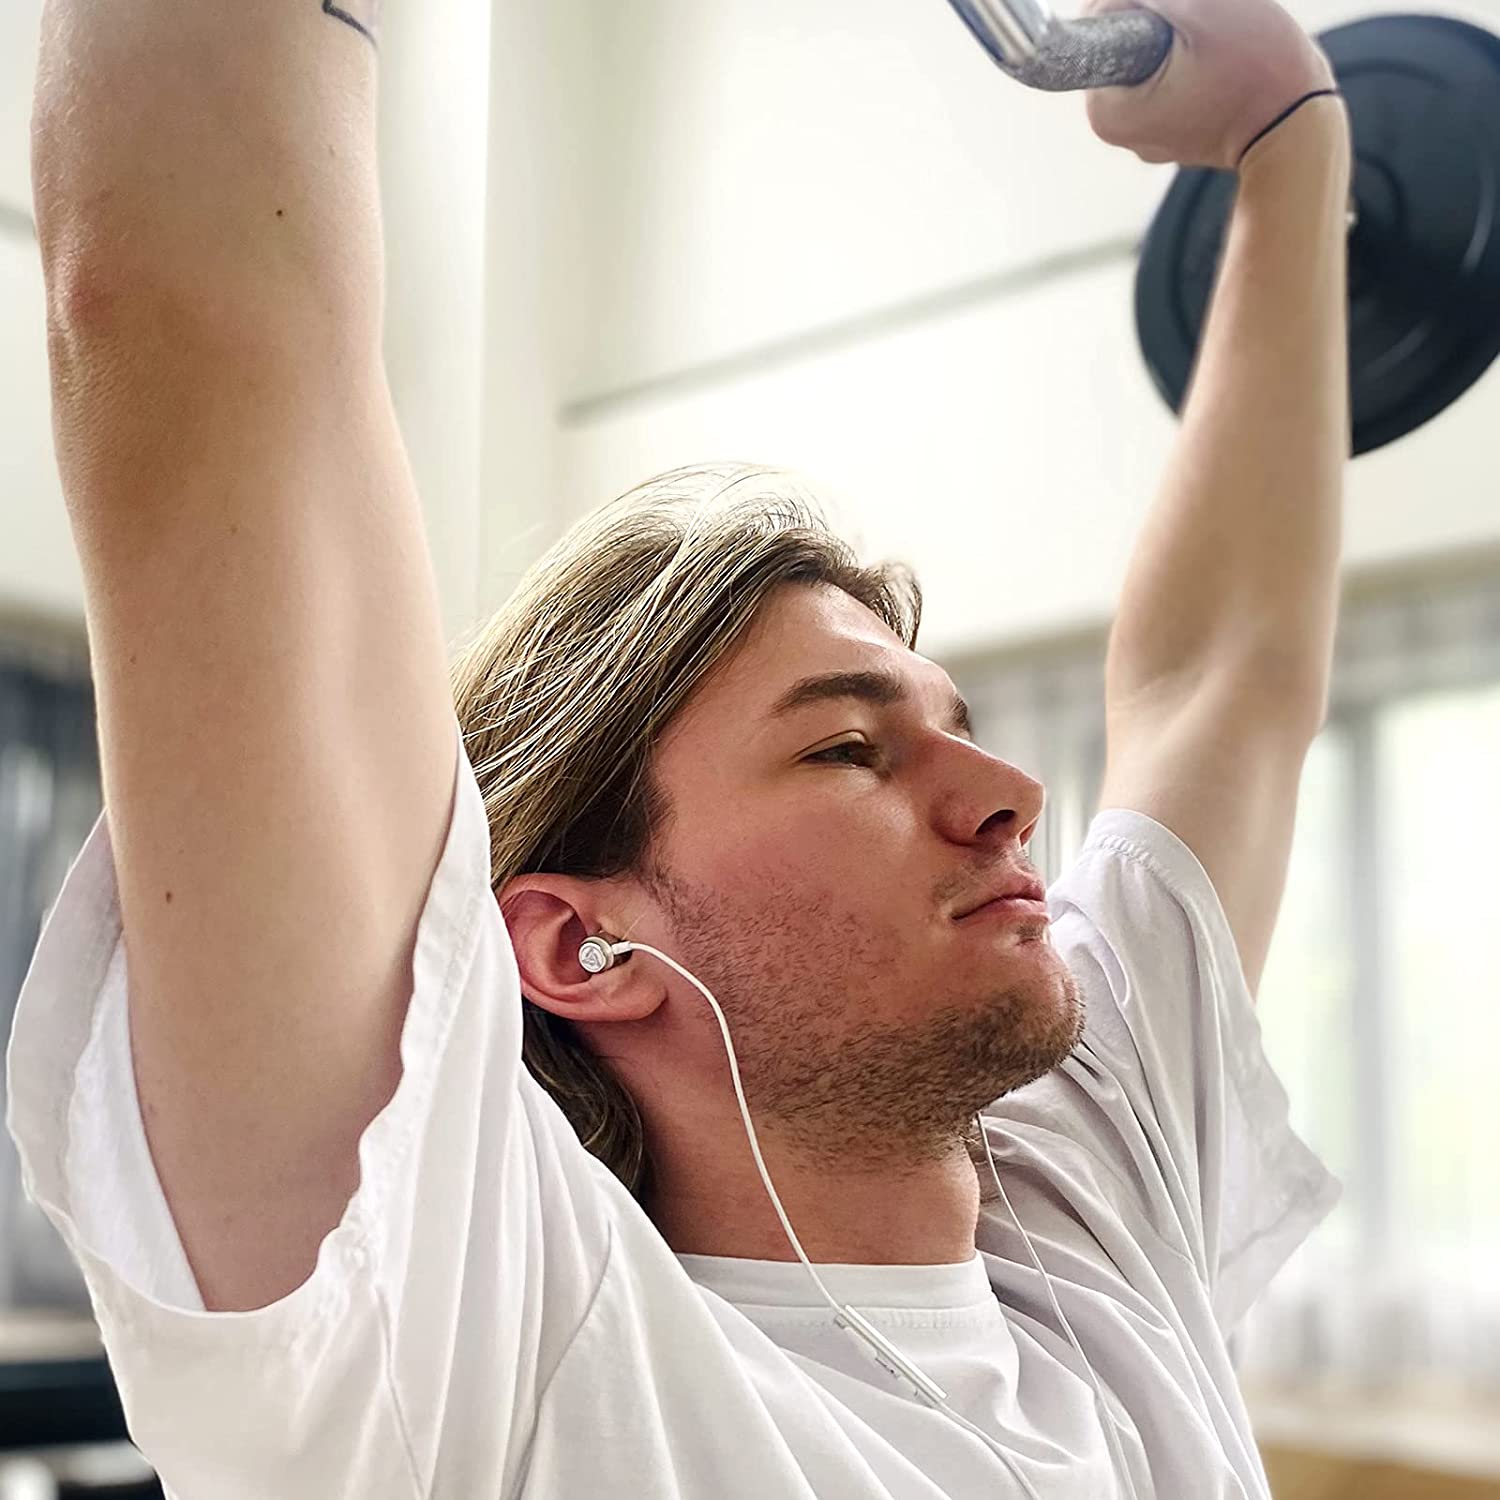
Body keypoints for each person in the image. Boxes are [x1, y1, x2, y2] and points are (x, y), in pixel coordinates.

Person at [7, 0, 1351, 1495]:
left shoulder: (1094, 1216)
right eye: (850, 750)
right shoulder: (475, 1354)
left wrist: (1290, 140)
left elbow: (1221, 678)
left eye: (954, 729)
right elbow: (192, 320)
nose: (1012, 797)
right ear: (578, 945)